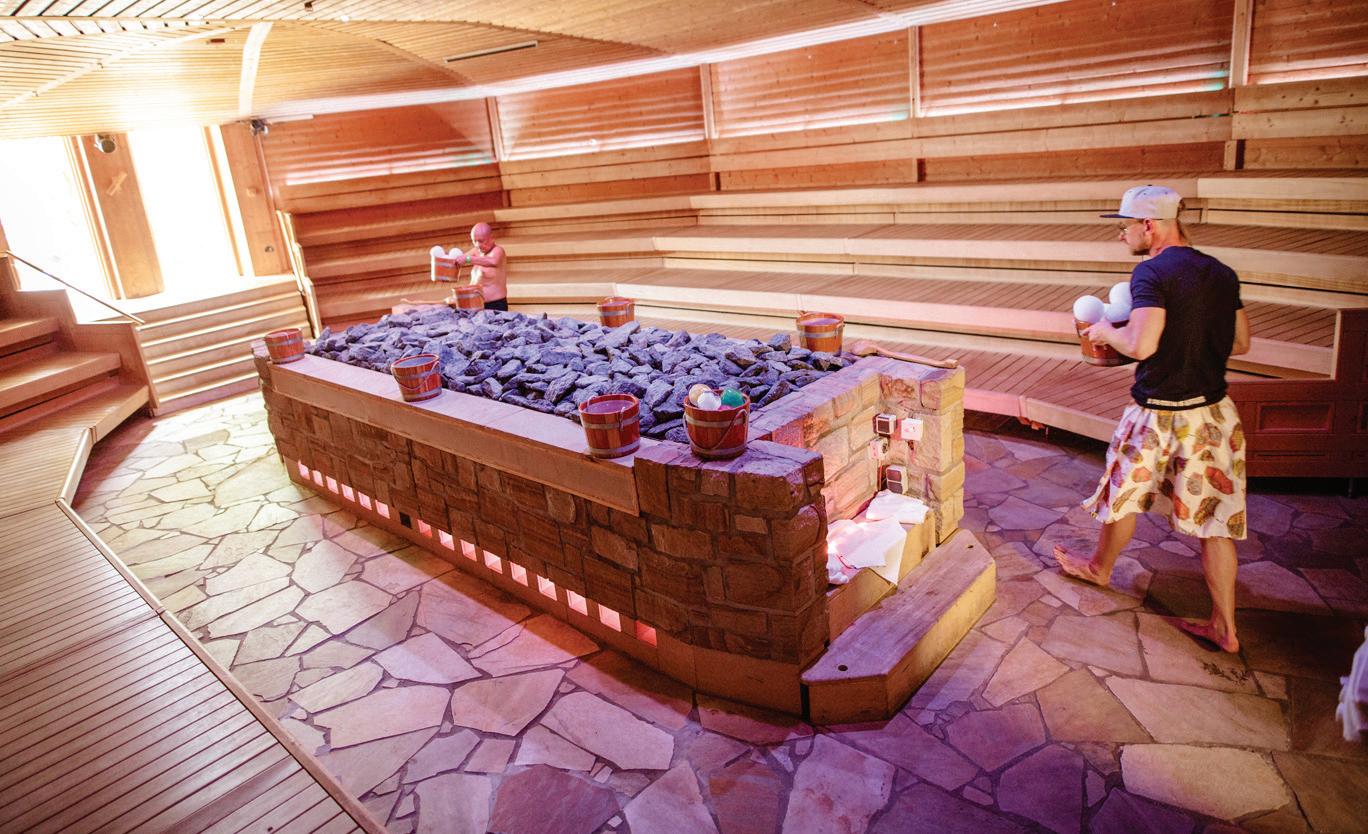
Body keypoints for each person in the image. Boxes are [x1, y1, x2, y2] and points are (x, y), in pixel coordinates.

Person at [1054, 185, 1252, 652]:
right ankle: (1226, 628)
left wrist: (1106, 330)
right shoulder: (1220, 272)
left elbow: (1141, 345)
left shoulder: (1151, 272)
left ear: (1149, 225)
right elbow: (1241, 342)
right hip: (1211, 416)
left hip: (1158, 415)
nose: (1121, 234)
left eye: (1125, 226)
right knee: (1214, 523)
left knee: (1122, 495)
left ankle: (1100, 569)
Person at [454, 222, 508, 311]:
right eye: (474, 241)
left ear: (491, 238)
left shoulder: (498, 251)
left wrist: (468, 259)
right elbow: (460, 259)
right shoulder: (476, 250)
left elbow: (493, 261)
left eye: (481, 241)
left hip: (495, 305)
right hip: (474, 303)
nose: (477, 245)